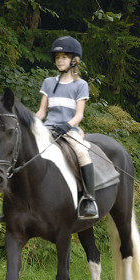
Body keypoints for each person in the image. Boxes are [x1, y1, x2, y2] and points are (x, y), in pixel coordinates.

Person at [36, 36, 98, 219]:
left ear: (74, 60)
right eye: (57, 58)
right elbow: (41, 112)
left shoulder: (81, 85)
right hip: (47, 128)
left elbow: (79, 115)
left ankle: (89, 198)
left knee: (82, 153)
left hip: (68, 130)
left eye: (64, 57)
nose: (59, 61)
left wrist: (67, 125)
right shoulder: (48, 82)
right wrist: (29, 121)